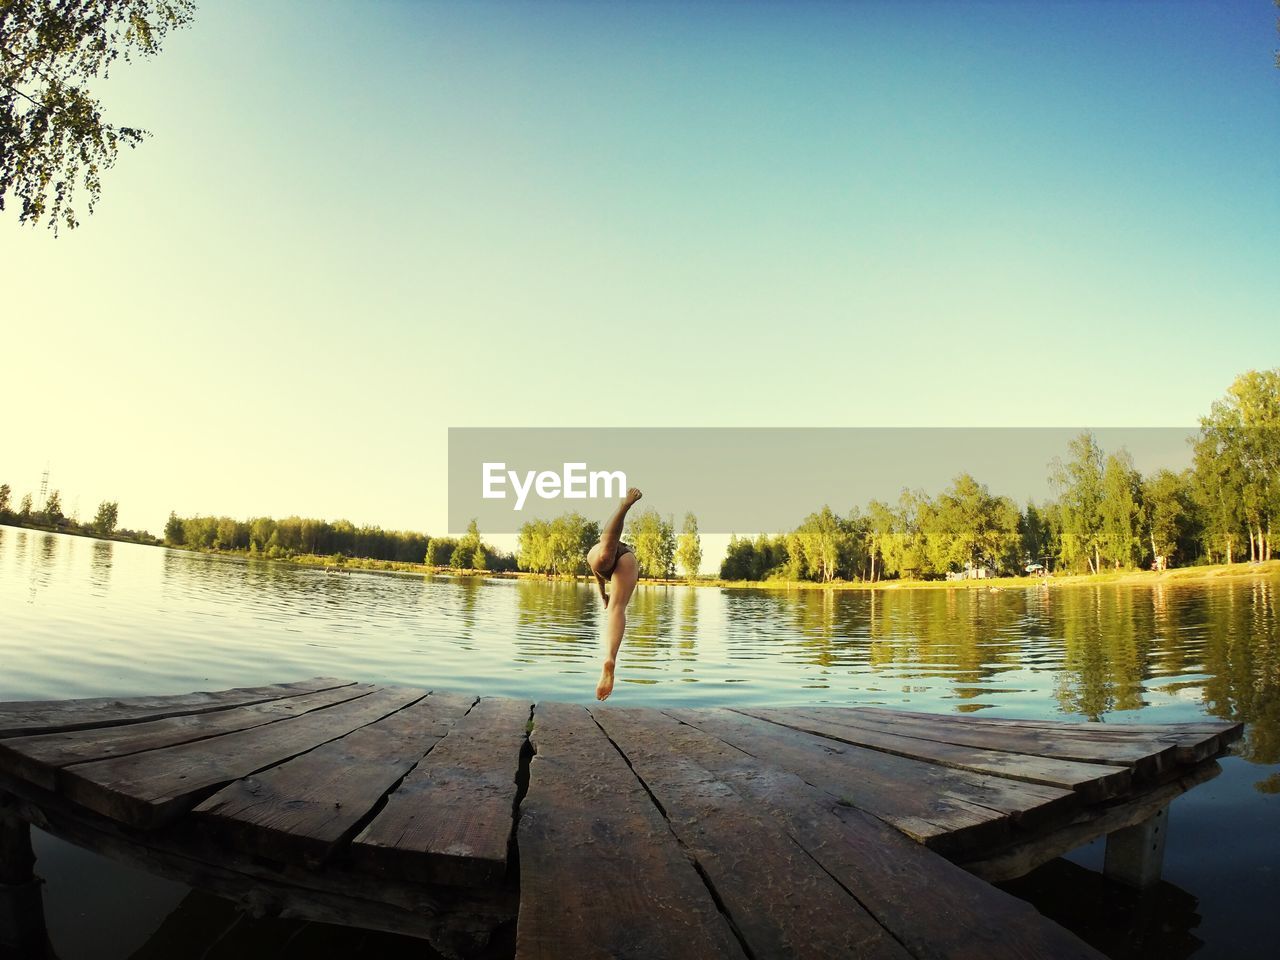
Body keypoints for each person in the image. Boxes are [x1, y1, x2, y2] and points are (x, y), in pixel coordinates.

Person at [586, 486, 643, 700]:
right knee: (617, 609)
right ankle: (610, 658)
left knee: (605, 550)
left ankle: (623, 507)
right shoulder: (623, 557)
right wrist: (605, 599)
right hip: (628, 557)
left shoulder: (595, 560)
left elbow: (598, 573)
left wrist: (602, 595)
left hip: (604, 555)